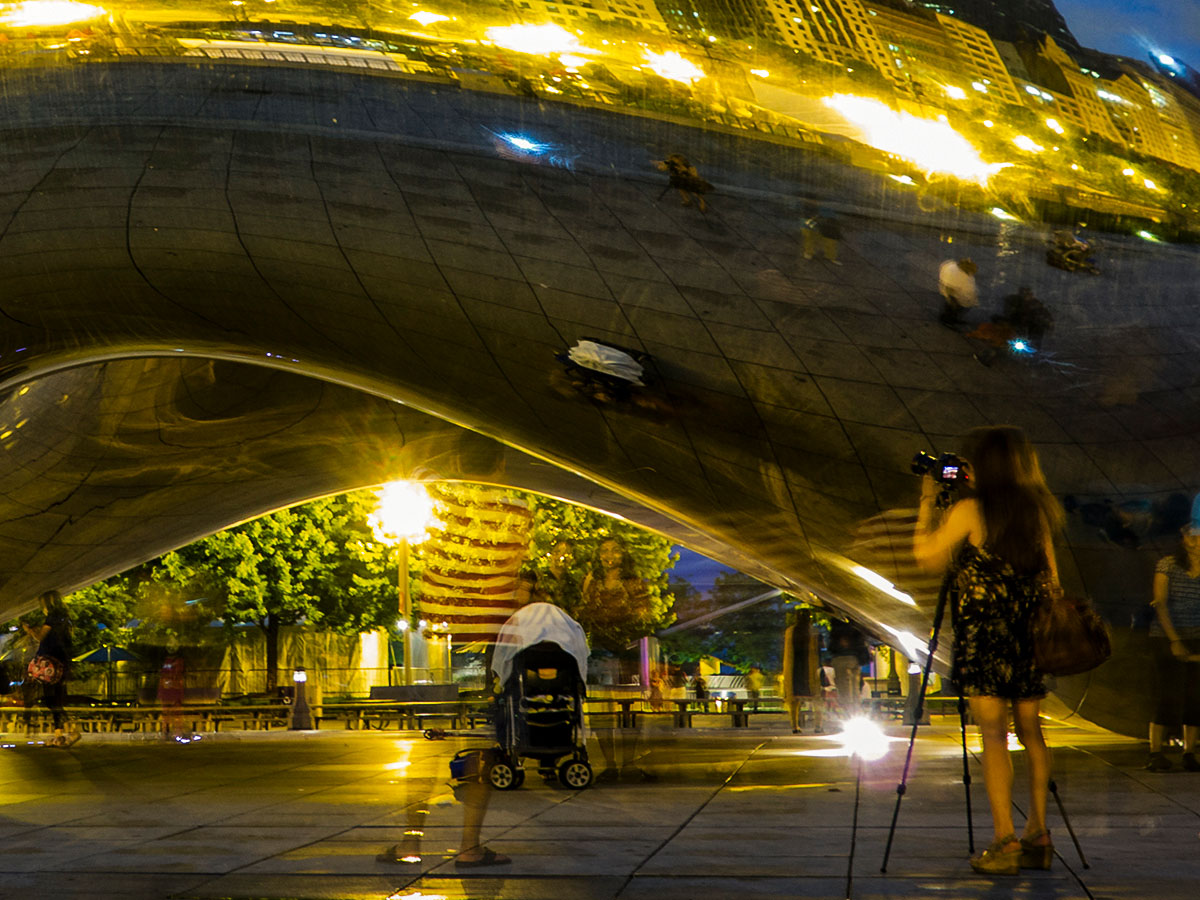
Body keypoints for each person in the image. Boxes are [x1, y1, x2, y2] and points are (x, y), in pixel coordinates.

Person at [913, 426, 1061, 875]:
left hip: (986, 638)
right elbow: (1053, 579)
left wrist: (926, 502)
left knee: (993, 735)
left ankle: (1005, 839)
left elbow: (928, 556)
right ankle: (1039, 832)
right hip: (1029, 637)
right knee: (1032, 732)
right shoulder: (1038, 511)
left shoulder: (972, 509)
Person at [1145, 522, 1200, 772]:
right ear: (1183, 538)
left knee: (1195, 695)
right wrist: (1174, 640)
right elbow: (1161, 603)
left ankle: (1189, 751)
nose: (1197, 541)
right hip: (1166, 635)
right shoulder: (1167, 565)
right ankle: (1155, 751)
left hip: (1197, 635)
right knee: (1168, 693)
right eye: (1192, 536)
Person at [21, 589, 79, 747]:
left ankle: (70, 731)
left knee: (50, 699)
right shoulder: (65, 618)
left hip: (48, 662)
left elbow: (41, 637)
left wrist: (29, 630)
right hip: (61, 661)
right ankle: (60, 734)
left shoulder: (51, 617)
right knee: (56, 698)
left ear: (47, 603)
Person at [782, 610, 823, 734]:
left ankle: (795, 726)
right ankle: (818, 726)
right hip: (810, 668)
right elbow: (820, 649)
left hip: (793, 668)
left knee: (794, 700)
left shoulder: (789, 631)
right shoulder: (814, 631)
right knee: (816, 698)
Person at [827, 619, 868, 717]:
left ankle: (849, 716)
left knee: (845, 691)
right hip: (855, 659)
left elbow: (833, 645)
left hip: (842, 659)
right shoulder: (855, 624)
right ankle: (855, 714)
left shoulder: (838, 626)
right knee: (855, 691)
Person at [938, 257, 978, 328]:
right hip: (953, 294)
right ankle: (948, 320)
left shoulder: (962, 272)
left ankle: (952, 318)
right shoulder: (955, 272)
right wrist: (950, 298)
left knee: (956, 308)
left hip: (958, 294)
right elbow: (949, 287)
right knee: (952, 308)